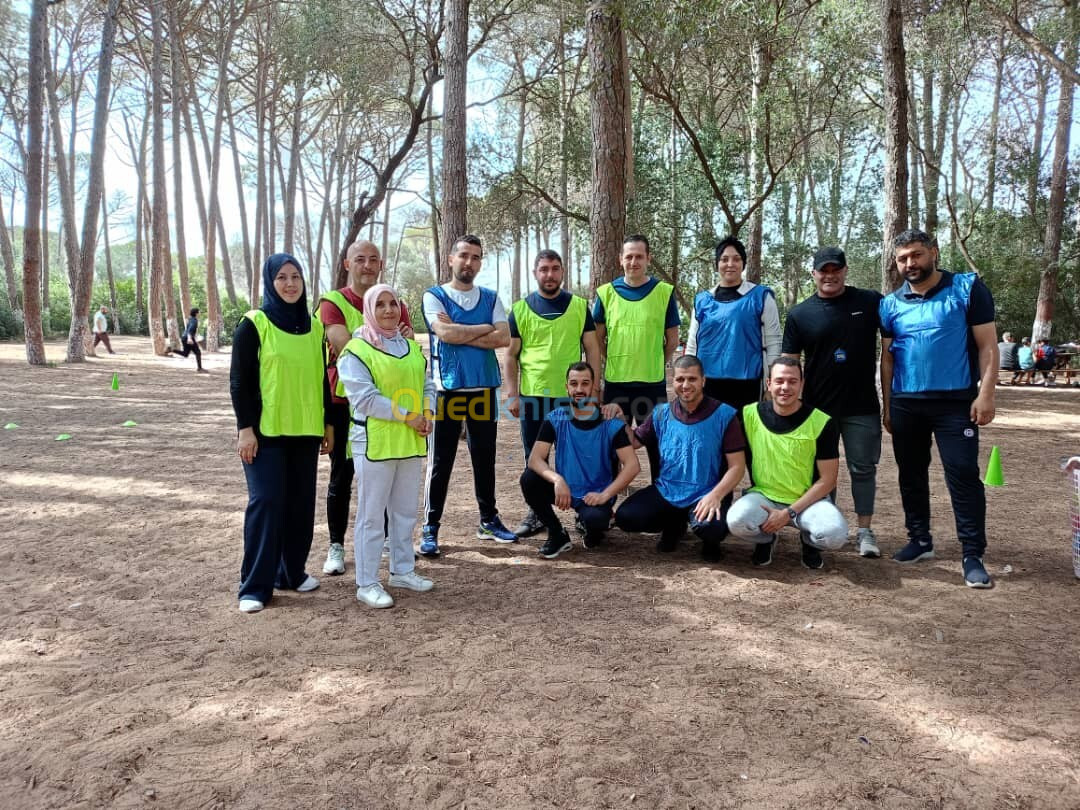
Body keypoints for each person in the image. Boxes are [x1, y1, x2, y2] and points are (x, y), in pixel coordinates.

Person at [879, 228, 998, 589]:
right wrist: (887, 404)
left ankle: (972, 553)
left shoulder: (967, 288)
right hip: (906, 402)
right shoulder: (889, 304)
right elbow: (887, 359)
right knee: (910, 473)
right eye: (902, 258)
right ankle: (920, 540)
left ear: (933, 252)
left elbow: (988, 346)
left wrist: (986, 394)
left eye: (916, 255)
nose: (910, 264)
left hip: (955, 402)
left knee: (962, 473)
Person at [230, 253, 334, 614]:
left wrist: (328, 424)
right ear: (270, 283)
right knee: (267, 503)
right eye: (282, 278)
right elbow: (240, 381)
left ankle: (291, 573)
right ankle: (256, 586)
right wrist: (246, 429)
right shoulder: (253, 324)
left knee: (300, 505)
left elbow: (321, 379)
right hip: (265, 433)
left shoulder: (314, 326)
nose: (290, 284)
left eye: (296, 277)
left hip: (305, 431)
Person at [317, 240, 414, 577]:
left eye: (374, 259)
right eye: (360, 259)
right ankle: (336, 545)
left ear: (381, 264)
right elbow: (343, 345)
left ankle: (388, 541)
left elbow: (409, 346)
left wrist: (395, 340)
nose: (367, 265)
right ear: (347, 264)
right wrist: (382, 341)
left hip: (391, 404)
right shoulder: (333, 302)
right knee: (343, 474)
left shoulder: (394, 301)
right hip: (348, 401)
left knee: (390, 472)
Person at [337, 284, 436, 608]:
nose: (389, 310)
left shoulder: (409, 346)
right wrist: (408, 416)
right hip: (374, 443)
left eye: (393, 303)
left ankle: (402, 570)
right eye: (380, 304)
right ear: (370, 310)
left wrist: (428, 412)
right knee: (371, 514)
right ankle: (367, 582)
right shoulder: (356, 350)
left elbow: (427, 383)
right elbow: (365, 398)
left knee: (405, 511)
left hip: (409, 441)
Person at [782, 246, 883, 558]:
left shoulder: (870, 302)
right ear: (813, 274)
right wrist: (786, 405)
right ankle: (828, 527)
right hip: (817, 410)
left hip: (862, 406)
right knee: (822, 473)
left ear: (845, 270)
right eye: (823, 270)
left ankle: (865, 531)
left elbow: (896, 342)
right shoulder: (799, 314)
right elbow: (788, 363)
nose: (829, 276)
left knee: (863, 469)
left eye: (835, 269)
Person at [421, 234, 516, 556]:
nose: (469, 262)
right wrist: (481, 329)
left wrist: (461, 332)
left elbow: (503, 338)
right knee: (441, 461)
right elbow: (443, 333)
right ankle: (431, 527)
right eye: (463, 255)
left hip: (483, 388)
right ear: (451, 259)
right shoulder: (434, 296)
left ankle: (488, 519)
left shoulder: (490, 298)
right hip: (449, 390)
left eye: (476, 257)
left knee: (484, 458)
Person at [505, 249, 602, 537]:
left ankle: (585, 512)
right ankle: (538, 512)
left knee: (580, 456)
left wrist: (594, 390)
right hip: (533, 396)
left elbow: (593, 348)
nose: (550, 274)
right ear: (536, 272)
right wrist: (512, 393)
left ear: (562, 272)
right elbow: (511, 356)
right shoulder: (520, 309)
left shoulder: (578, 307)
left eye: (555, 268)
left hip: (573, 397)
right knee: (535, 458)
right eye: (544, 269)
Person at [614, 355, 746, 560]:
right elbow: (634, 442)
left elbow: (737, 467)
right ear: (673, 381)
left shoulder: (725, 415)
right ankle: (674, 524)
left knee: (712, 529)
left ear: (703, 381)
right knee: (626, 517)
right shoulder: (660, 413)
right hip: (668, 491)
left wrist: (716, 496)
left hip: (707, 492)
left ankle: (709, 542)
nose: (686, 385)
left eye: (692, 379)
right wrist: (621, 419)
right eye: (680, 379)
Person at [727, 357, 849, 569]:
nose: (785, 387)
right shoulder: (749, 415)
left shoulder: (821, 422)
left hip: (808, 501)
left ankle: (810, 543)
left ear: (802, 384)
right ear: (769, 384)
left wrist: (789, 513)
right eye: (779, 381)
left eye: (792, 381)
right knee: (736, 521)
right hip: (764, 497)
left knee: (835, 535)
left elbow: (828, 480)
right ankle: (766, 539)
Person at [521, 362, 640, 557]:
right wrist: (557, 479)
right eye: (573, 383)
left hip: (595, 493)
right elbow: (535, 459)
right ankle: (557, 533)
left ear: (594, 386)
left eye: (585, 383)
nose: (579, 389)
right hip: (565, 488)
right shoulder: (556, 418)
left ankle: (592, 526)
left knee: (595, 522)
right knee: (529, 479)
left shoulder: (610, 422)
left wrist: (605, 495)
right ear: (566, 387)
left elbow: (633, 465)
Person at [593, 235, 680, 480]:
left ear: (648, 259)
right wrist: (612, 359)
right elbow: (597, 338)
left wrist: (654, 360)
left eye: (639, 256)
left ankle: (662, 503)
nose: (634, 261)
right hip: (616, 385)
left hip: (651, 385)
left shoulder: (663, 293)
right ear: (621, 260)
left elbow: (672, 339)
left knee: (658, 447)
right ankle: (607, 507)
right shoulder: (606, 293)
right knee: (612, 445)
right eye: (629, 256)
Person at [685, 235, 781, 410]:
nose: (730, 264)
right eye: (724, 259)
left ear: (743, 264)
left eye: (736, 259)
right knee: (711, 434)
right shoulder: (702, 301)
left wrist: (772, 384)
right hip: (708, 383)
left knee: (743, 435)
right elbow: (693, 344)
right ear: (717, 264)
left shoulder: (761, 296)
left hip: (747, 384)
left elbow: (774, 342)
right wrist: (688, 378)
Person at [165, 307, 207, 372]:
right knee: (198, 352)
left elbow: (189, 330)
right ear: (196, 313)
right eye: (199, 312)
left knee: (185, 354)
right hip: (188, 338)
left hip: (184, 337)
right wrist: (190, 338)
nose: (200, 313)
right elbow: (190, 329)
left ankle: (172, 350)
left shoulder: (191, 319)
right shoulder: (194, 321)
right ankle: (199, 368)